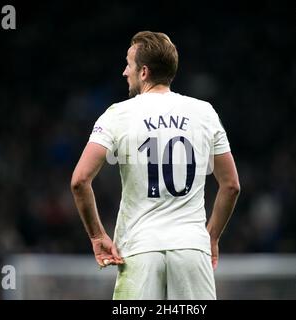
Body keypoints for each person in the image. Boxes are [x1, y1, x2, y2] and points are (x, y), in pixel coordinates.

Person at [71, 31, 240, 300]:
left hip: (140, 248)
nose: (124, 72)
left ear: (144, 72)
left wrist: (97, 235)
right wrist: (211, 237)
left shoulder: (118, 114)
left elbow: (79, 180)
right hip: (191, 250)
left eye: (129, 64)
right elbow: (230, 186)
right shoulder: (205, 112)